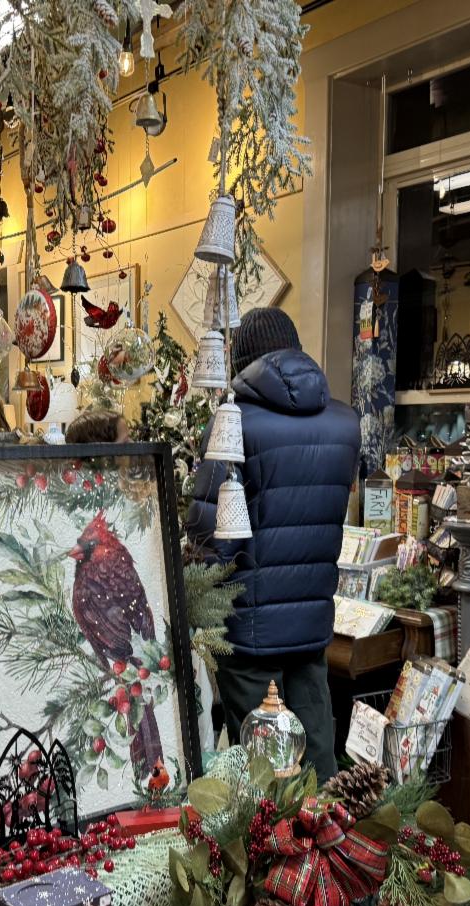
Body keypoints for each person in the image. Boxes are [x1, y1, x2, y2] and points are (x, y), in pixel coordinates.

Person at [187, 307, 359, 781]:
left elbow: (210, 541)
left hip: (250, 631)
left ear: (242, 360)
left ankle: (275, 833)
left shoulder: (232, 423)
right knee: (318, 760)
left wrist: (193, 600)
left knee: (264, 773)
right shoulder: (345, 423)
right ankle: (328, 830)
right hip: (312, 622)